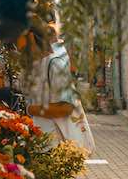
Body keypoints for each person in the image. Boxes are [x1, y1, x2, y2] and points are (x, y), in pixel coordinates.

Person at [25, 19, 96, 156]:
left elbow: (65, 108)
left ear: (33, 39)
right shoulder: (44, 62)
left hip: (54, 145)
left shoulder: (55, 63)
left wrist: (30, 109)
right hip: (46, 143)